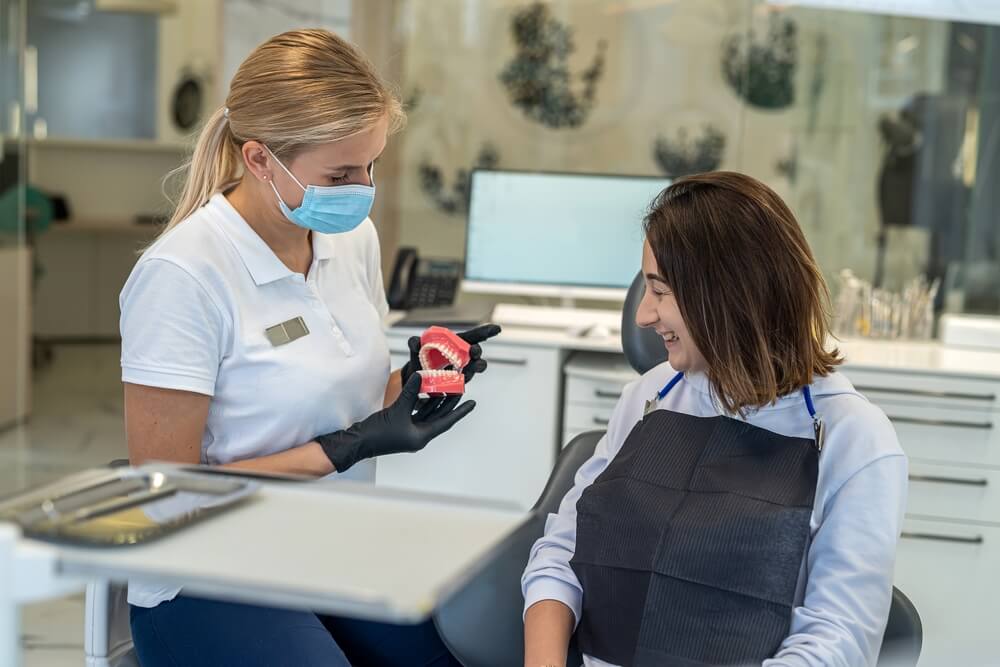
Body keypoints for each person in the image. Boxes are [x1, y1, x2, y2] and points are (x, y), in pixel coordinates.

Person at [119, 29, 498, 667]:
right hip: (211, 570)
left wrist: (415, 382)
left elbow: (356, 399)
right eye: (340, 173)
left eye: (371, 166)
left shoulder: (353, 239)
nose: (362, 187)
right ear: (260, 159)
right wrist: (342, 449)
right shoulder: (183, 275)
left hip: (331, 547)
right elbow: (165, 496)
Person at [522, 171, 907, 667]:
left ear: (727, 296)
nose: (642, 315)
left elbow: (837, 641)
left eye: (660, 292)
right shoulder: (649, 397)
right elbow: (562, 556)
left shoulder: (855, 440)